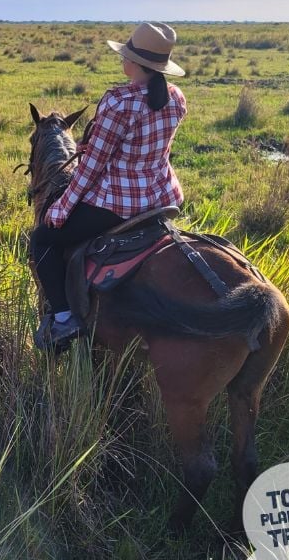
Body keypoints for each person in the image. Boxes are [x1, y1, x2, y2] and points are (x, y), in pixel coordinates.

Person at [29, 22, 187, 351]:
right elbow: (146, 146)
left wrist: (60, 209)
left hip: (119, 204)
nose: (122, 60)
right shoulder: (175, 97)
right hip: (161, 197)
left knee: (42, 239)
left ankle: (63, 319)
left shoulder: (118, 101)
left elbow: (91, 169)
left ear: (136, 63)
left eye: (126, 55)